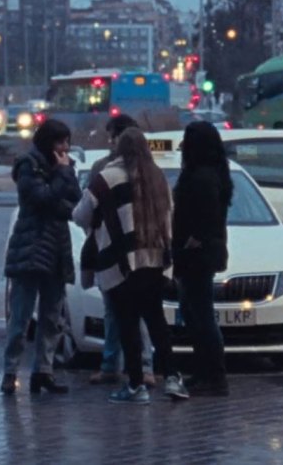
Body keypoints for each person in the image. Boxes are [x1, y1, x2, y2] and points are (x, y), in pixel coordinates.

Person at [73, 128, 189, 404]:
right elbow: (169, 217)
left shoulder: (107, 178)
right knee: (156, 322)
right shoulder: (157, 177)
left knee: (127, 324)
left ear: (119, 149)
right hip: (156, 261)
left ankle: (136, 385)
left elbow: (80, 214)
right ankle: (173, 377)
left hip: (120, 262)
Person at [1, 119, 81, 395]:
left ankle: (43, 371)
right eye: (60, 142)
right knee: (21, 317)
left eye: (67, 142)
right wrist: (60, 176)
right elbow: (40, 198)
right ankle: (10, 372)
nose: (65, 148)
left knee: (52, 316)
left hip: (57, 247)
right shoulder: (28, 165)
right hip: (31, 247)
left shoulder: (65, 167)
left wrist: (62, 177)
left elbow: (74, 201)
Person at [83, 114, 155, 387]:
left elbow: (85, 211)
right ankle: (140, 367)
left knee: (115, 310)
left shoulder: (103, 169)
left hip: (111, 249)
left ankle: (116, 364)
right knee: (137, 312)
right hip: (141, 249)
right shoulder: (149, 169)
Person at [173, 121, 232, 396]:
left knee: (201, 313)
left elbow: (203, 216)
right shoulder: (213, 173)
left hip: (197, 253)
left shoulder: (201, 177)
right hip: (201, 252)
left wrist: (192, 239)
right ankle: (205, 370)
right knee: (195, 310)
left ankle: (213, 373)